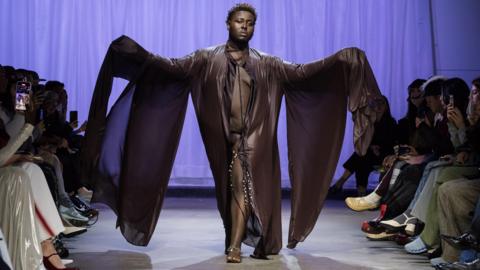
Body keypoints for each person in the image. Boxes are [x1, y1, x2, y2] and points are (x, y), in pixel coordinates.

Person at [81, 3, 382, 263]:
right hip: (225, 138)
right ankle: (250, 237)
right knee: (235, 189)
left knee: (240, 185)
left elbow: (305, 72)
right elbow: (171, 67)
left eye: (250, 23)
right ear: (228, 23)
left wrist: (344, 59)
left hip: (257, 138)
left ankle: (235, 245)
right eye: (240, 21)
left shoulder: (269, 63)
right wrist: (141, 55)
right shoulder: (204, 58)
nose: (245, 27)